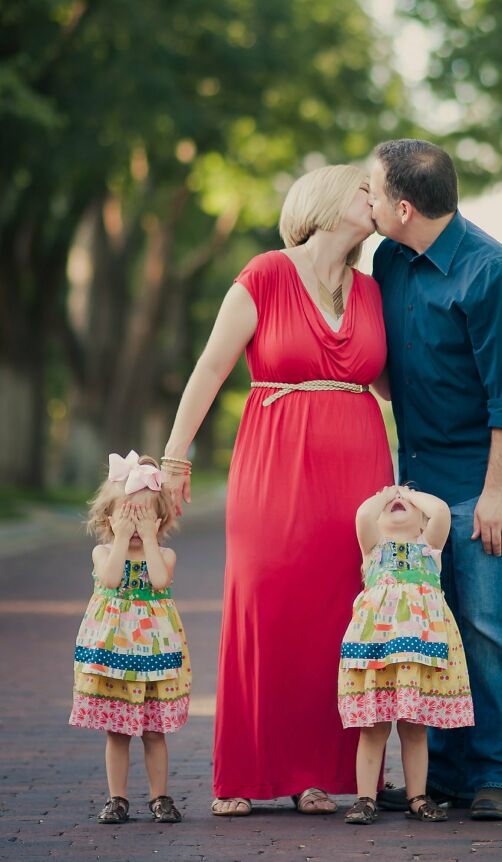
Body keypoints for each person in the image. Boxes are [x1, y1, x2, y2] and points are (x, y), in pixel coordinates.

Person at [161, 165, 394, 816]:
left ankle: (318, 772)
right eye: (364, 190)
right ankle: (243, 773)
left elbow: (393, 385)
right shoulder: (264, 274)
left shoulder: (374, 292)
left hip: (359, 476)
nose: (375, 199)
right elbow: (211, 367)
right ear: (324, 202)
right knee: (263, 607)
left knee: (341, 619)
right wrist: (174, 459)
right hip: (275, 467)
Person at [368, 139, 502, 821]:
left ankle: (501, 773)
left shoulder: (494, 274)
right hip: (418, 480)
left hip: (483, 477)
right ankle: (442, 772)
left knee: (485, 621)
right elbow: (389, 366)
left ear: (403, 207)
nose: (368, 201)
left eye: (374, 192)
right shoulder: (389, 259)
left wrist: (498, 493)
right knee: (430, 622)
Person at [339, 485, 474, 825]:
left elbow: (441, 509)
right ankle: (365, 799)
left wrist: (406, 493)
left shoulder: (429, 548)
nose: (399, 500)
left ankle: (417, 796)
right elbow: (363, 515)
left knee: (415, 728)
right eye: (390, 504)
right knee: (373, 729)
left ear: (421, 524)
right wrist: (387, 496)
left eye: (410, 504)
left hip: (418, 654)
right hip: (377, 653)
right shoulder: (373, 551)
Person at [69, 450, 189, 824]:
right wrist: (121, 539)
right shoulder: (103, 551)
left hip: (153, 654)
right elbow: (109, 579)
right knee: (117, 732)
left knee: (154, 732)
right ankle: (117, 798)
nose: (135, 526)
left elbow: (158, 580)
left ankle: (160, 797)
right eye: (127, 517)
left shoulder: (164, 555)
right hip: (113, 653)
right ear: (109, 518)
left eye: (143, 518)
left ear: (160, 520)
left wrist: (149, 540)